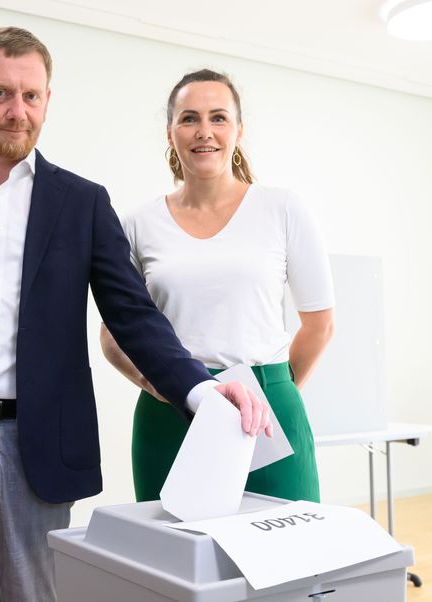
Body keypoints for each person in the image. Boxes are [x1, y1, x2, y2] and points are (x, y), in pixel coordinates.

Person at [0, 30, 271, 602]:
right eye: (1, 94)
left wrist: (199, 391)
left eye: (31, 96)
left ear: (48, 100)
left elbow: (133, 315)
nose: (17, 111)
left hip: (36, 447)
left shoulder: (82, 203)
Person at [101, 69, 335, 504]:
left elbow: (319, 324)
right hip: (171, 410)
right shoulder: (137, 224)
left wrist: (271, 392)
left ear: (239, 130)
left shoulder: (283, 208)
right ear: (170, 132)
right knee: (170, 560)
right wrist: (170, 391)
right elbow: (112, 337)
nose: (204, 131)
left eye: (218, 118)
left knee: (283, 555)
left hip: (267, 409)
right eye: (189, 118)